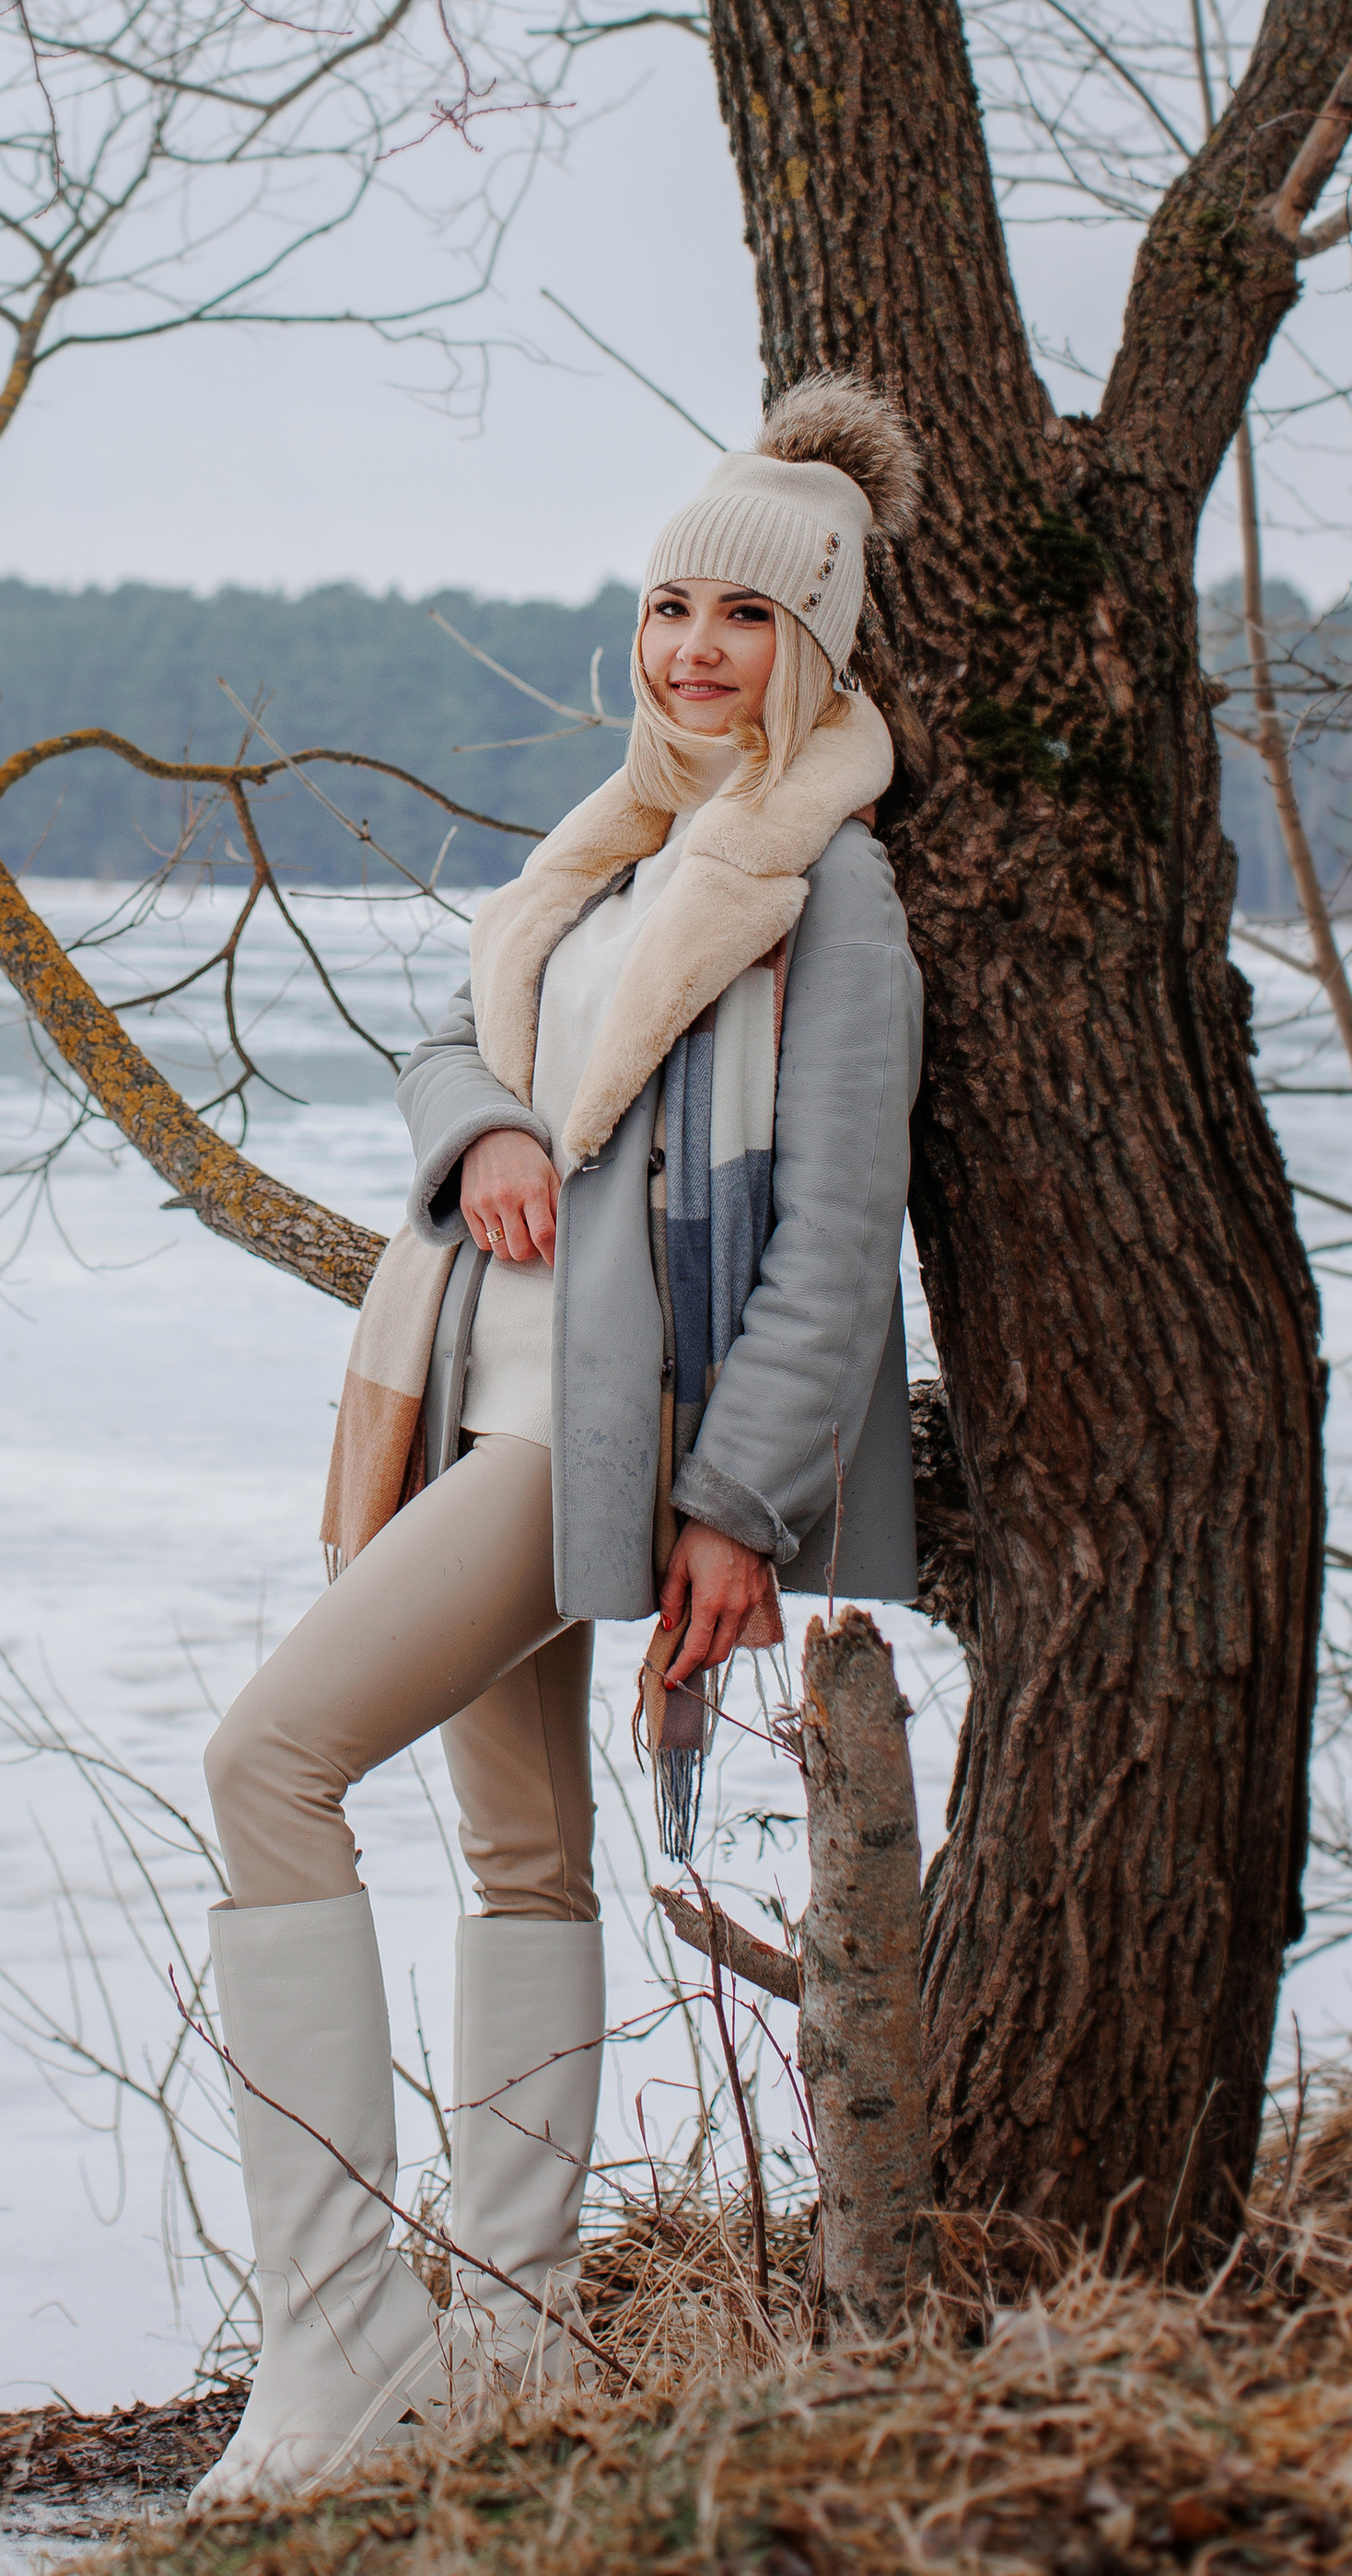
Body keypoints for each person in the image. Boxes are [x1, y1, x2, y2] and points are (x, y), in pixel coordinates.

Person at [188, 378, 927, 2510]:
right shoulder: (597, 852)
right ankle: (496, 2355)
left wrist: (736, 1507)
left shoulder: (827, 891)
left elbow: (834, 1243)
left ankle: (331, 2361)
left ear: (815, 642)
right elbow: (449, 1042)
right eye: (667, 605)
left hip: (583, 1444)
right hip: (456, 1404)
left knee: (266, 1766)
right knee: (522, 1856)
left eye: (741, 618)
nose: (693, 649)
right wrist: (490, 1127)